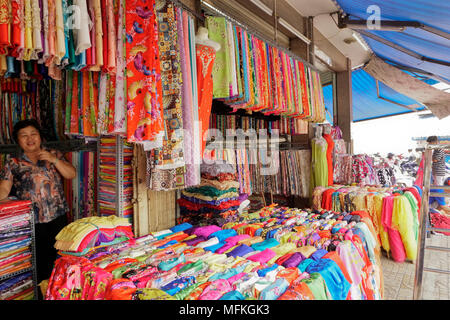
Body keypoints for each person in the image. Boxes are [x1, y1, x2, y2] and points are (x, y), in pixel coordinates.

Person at [0, 119, 76, 294]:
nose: (30, 139)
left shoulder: (54, 154)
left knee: (62, 258)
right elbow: (4, 188)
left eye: (33, 134)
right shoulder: (12, 163)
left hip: (58, 218)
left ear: (40, 137)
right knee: (39, 263)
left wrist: (53, 160)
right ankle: (43, 294)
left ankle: (61, 293)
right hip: (32, 222)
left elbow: (71, 174)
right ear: (17, 140)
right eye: (24, 136)